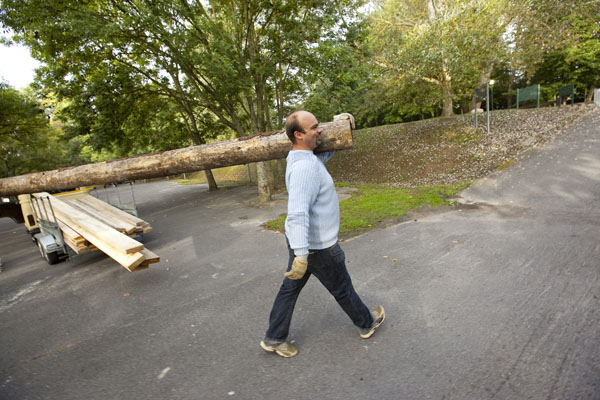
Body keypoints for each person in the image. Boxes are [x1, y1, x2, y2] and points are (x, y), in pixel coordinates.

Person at [260, 110, 384, 358]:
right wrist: (302, 256)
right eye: (315, 127)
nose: (321, 130)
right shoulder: (304, 168)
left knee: (290, 289)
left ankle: (274, 338)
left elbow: (321, 158)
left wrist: (343, 124)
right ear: (298, 134)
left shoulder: (300, 157)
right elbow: (297, 214)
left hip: (304, 244)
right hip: (318, 247)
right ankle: (366, 322)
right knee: (342, 288)